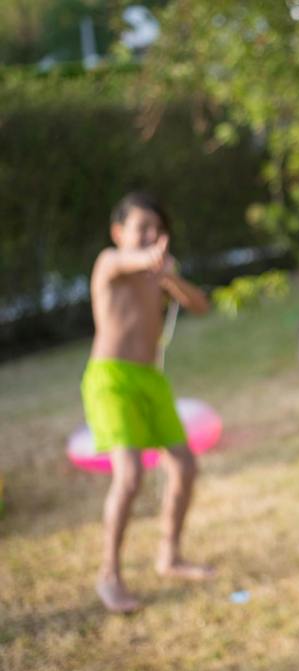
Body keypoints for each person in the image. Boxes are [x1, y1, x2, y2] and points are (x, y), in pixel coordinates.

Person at [82, 191, 214, 614]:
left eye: (158, 230)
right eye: (142, 229)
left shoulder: (158, 274)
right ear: (119, 232)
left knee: (185, 466)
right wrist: (149, 261)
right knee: (130, 476)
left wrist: (169, 278)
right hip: (111, 379)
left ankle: (169, 556)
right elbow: (127, 261)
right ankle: (109, 576)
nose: (152, 237)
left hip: (151, 379)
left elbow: (200, 305)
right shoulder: (111, 262)